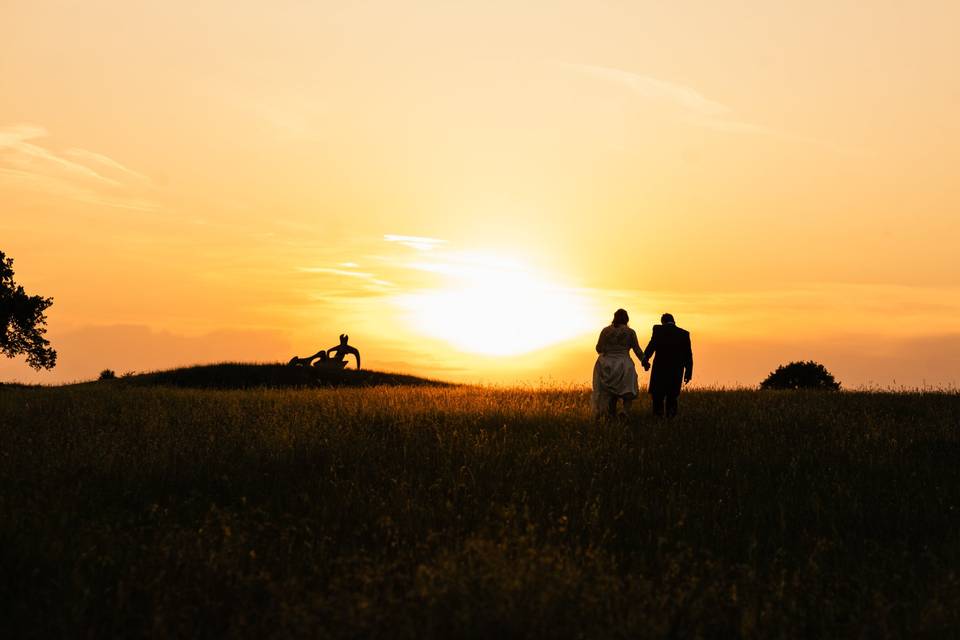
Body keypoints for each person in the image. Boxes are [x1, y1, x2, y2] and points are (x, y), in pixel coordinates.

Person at [592, 309, 644, 419]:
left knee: (610, 393)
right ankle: (625, 411)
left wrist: (608, 349)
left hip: (606, 364)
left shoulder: (605, 331)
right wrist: (644, 361)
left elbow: (598, 348)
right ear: (627, 319)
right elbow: (637, 350)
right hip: (624, 364)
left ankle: (610, 415)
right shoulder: (630, 332)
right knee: (628, 390)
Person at [641, 313, 693, 417]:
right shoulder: (684, 334)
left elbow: (651, 347)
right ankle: (670, 420)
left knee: (657, 397)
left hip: (660, 370)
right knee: (672, 397)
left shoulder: (658, 330)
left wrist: (645, 360)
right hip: (676, 371)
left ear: (662, 322)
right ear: (674, 321)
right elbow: (688, 355)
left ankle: (658, 419)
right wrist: (688, 374)